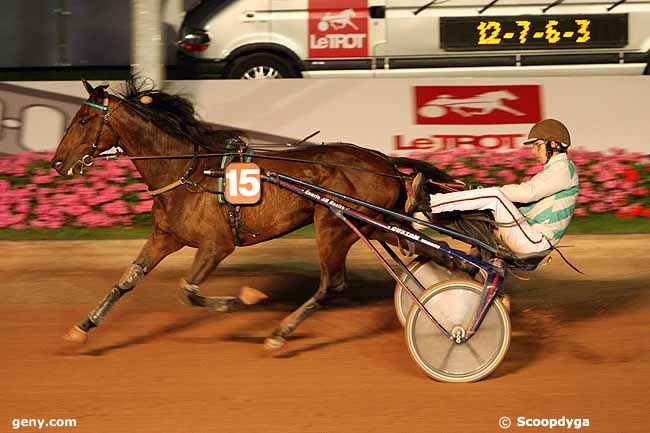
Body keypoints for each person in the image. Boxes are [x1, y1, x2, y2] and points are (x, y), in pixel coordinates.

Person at [407, 118, 580, 259]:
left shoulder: (563, 168)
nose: (534, 152)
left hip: (534, 241)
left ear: (554, 144)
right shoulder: (557, 170)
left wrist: (485, 191)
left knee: (495, 197)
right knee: (485, 203)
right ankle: (421, 218)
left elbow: (528, 193)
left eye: (538, 145)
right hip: (528, 234)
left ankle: (430, 203)